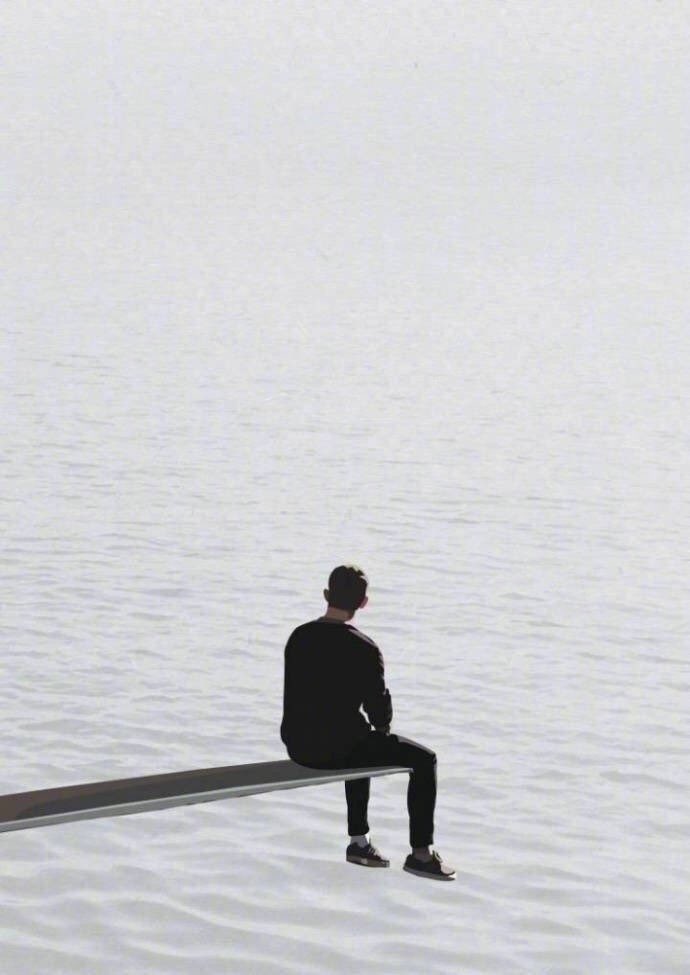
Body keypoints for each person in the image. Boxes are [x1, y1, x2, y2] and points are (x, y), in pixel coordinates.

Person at [280, 564, 455, 881]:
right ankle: (421, 855)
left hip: (298, 746)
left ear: (326, 595)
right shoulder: (364, 647)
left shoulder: (299, 637)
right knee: (422, 759)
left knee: (355, 736)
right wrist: (383, 726)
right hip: (340, 750)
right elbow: (378, 712)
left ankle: (360, 842)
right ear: (363, 603)